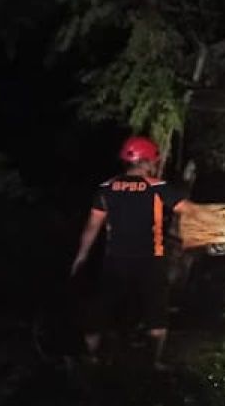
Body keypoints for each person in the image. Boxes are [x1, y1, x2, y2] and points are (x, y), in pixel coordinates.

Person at [70, 136, 195, 369]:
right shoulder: (158, 187)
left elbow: (91, 228)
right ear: (146, 162)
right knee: (155, 308)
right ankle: (154, 362)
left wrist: (81, 257)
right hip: (150, 259)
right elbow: (189, 211)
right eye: (154, 161)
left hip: (115, 259)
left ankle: (91, 356)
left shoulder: (106, 189)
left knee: (102, 307)